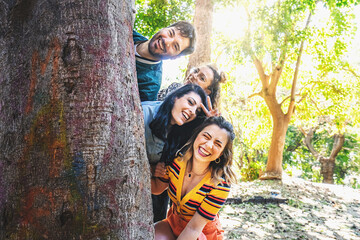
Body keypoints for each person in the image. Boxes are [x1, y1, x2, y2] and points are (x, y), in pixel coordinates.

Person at [152, 116, 237, 239]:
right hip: (173, 223)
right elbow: (157, 188)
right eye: (206, 136)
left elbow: (194, 228)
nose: (208, 145)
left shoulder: (220, 183)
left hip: (202, 234)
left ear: (222, 153)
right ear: (197, 135)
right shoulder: (176, 161)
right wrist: (150, 169)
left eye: (217, 144)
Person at [142, 84, 208, 222]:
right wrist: (151, 169)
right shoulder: (143, 114)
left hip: (151, 194)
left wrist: (210, 121)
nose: (192, 111)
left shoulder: (182, 136)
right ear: (175, 97)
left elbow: (159, 188)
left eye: (196, 111)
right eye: (190, 102)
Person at [134, 21, 196, 101]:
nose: (166, 41)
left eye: (175, 46)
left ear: (175, 57)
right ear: (164, 28)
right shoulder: (130, 33)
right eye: (170, 33)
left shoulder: (150, 86)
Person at [157, 64, 227, 109]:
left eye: (202, 78)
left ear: (207, 92)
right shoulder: (174, 87)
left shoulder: (197, 115)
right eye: (196, 71)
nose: (194, 75)